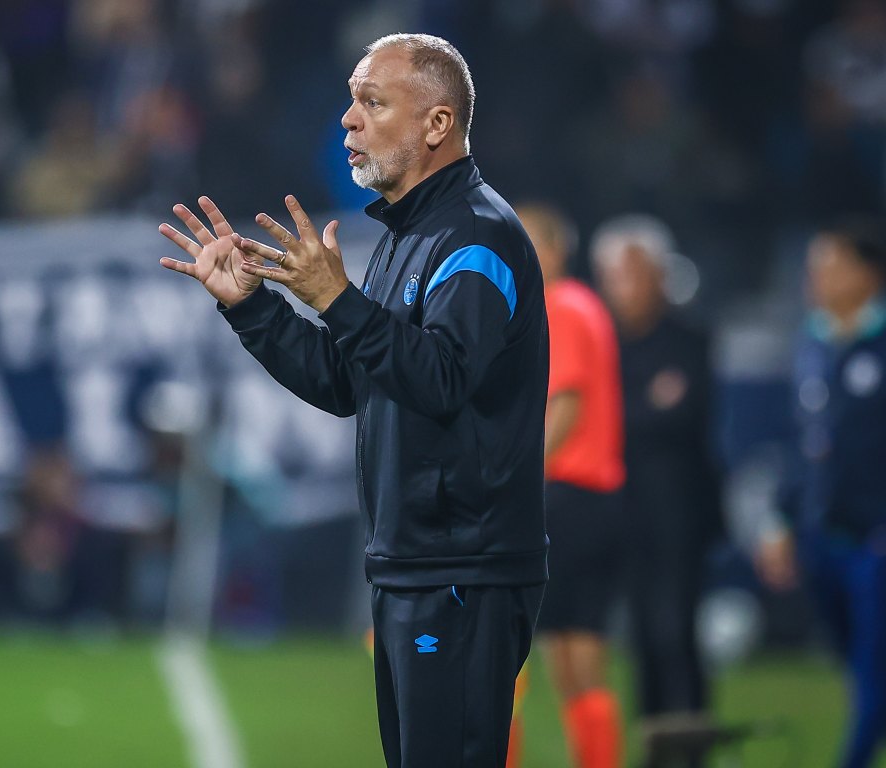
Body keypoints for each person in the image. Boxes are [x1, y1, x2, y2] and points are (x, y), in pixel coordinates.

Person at [159, 33, 548, 767]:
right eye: (351, 101)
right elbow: (350, 383)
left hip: (461, 568)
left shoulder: (477, 236)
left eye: (373, 102)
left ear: (437, 124)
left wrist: (338, 299)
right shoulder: (410, 234)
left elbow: (442, 378)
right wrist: (254, 309)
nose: (348, 119)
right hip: (416, 562)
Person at [758, 219, 886, 768]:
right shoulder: (811, 341)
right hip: (823, 534)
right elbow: (801, 442)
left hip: (875, 538)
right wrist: (781, 520)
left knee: (875, 672)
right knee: (855, 667)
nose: (816, 278)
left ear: (868, 274)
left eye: (831, 266)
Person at [591, 215, 720, 751]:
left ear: (660, 276)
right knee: (641, 640)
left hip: (680, 516)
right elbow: (611, 417)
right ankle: (654, 748)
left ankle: (691, 747)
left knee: (676, 634)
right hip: (622, 513)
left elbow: (683, 416)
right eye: (612, 276)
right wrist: (638, 408)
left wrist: (619, 414)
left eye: (631, 274)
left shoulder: (689, 339)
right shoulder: (601, 343)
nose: (621, 288)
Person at [517, 203, 625, 768]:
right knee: (574, 654)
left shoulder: (560, 305)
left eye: (528, 241)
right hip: (593, 499)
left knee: (507, 650)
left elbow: (565, 404)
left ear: (557, 249)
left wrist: (514, 478)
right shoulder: (585, 305)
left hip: (566, 496)